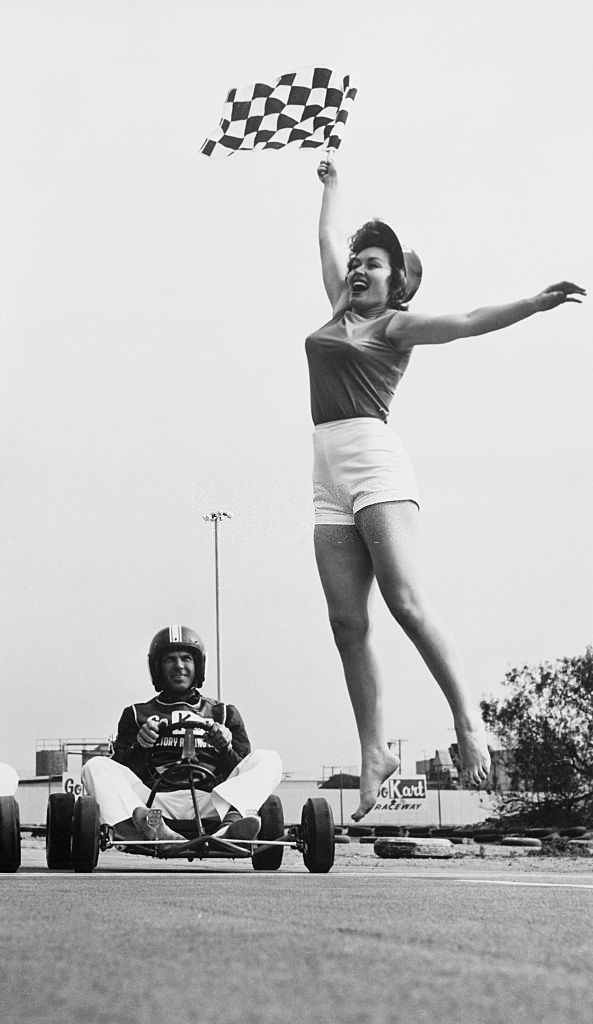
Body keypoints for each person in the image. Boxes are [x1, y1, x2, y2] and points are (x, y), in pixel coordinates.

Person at [308, 155, 585, 821]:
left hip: (375, 464)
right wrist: (332, 186)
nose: (359, 269)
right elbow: (325, 240)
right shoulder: (337, 310)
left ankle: (467, 720)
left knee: (403, 602)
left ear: (396, 283)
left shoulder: (394, 326)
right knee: (347, 623)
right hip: (325, 473)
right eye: (358, 261)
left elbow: (466, 320)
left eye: (375, 264)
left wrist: (532, 303)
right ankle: (374, 750)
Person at [82, 625, 282, 845]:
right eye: (170, 660)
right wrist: (140, 746)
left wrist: (225, 748)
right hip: (155, 802)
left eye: (186, 658)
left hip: (213, 801)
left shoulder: (224, 713)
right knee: (95, 766)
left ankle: (231, 825)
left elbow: (244, 773)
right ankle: (147, 828)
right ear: (157, 667)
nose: (179, 666)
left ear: (198, 665)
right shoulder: (136, 714)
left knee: (269, 759)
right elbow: (119, 773)